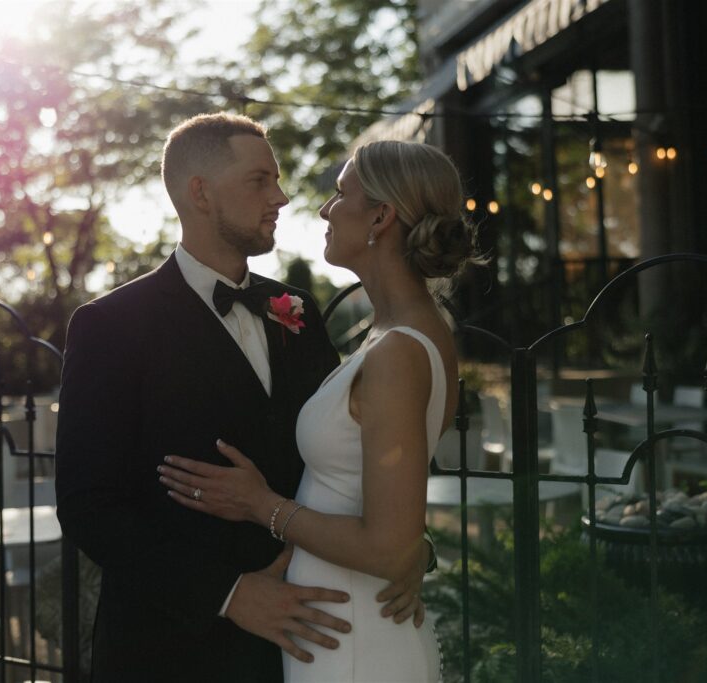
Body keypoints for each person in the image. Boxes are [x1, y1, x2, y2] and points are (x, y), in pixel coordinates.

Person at [55, 115, 430, 682]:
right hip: (171, 650)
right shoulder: (110, 326)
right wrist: (228, 594)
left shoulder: (297, 312)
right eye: (260, 180)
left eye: (277, 180)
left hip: (304, 646)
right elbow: (88, 506)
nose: (280, 196)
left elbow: (351, 454)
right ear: (199, 192)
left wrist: (404, 548)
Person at [159, 139, 481, 682]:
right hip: (341, 626)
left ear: (381, 216)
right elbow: (387, 500)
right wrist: (410, 547)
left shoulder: (399, 350)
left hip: (356, 639)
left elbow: (385, 545)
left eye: (339, 194)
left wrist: (263, 505)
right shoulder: (406, 333)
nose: (324, 209)